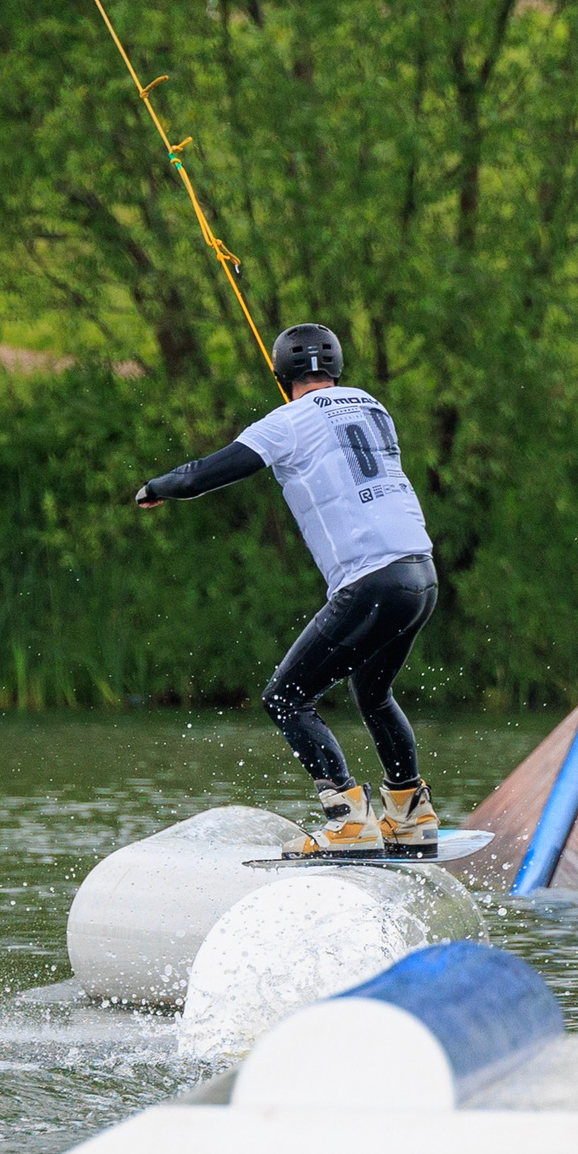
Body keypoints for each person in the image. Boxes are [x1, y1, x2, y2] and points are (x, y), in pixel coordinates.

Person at [133, 323, 441, 858]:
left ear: (280, 374)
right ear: (337, 368)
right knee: (373, 692)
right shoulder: (372, 405)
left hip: (369, 581)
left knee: (286, 696)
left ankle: (348, 822)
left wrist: (157, 488)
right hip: (420, 575)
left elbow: (206, 473)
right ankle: (411, 815)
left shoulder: (287, 421)